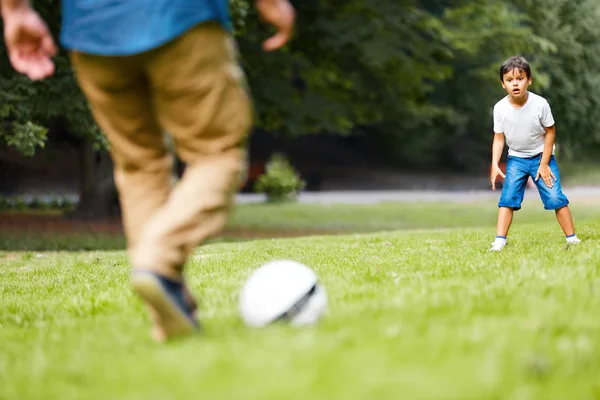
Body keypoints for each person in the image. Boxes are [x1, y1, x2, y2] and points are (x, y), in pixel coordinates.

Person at [1, 0, 295, 341]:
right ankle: (158, 258)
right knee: (218, 153)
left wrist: (16, 11)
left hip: (93, 33)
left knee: (140, 165)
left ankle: (168, 316)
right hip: (180, 18)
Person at [489, 55, 580, 251]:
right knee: (507, 199)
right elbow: (498, 138)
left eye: (520, 78)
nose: (515, 83)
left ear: (529, 80)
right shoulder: (500, 108)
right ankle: (499, 241)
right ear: (503, 84)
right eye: (510, 80)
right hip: (516, 159)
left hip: (542, 157)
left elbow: (550, 132)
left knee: (556, 197)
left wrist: (544, 164)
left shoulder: (540, 104)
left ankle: (572, 238)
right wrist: (495, 163)